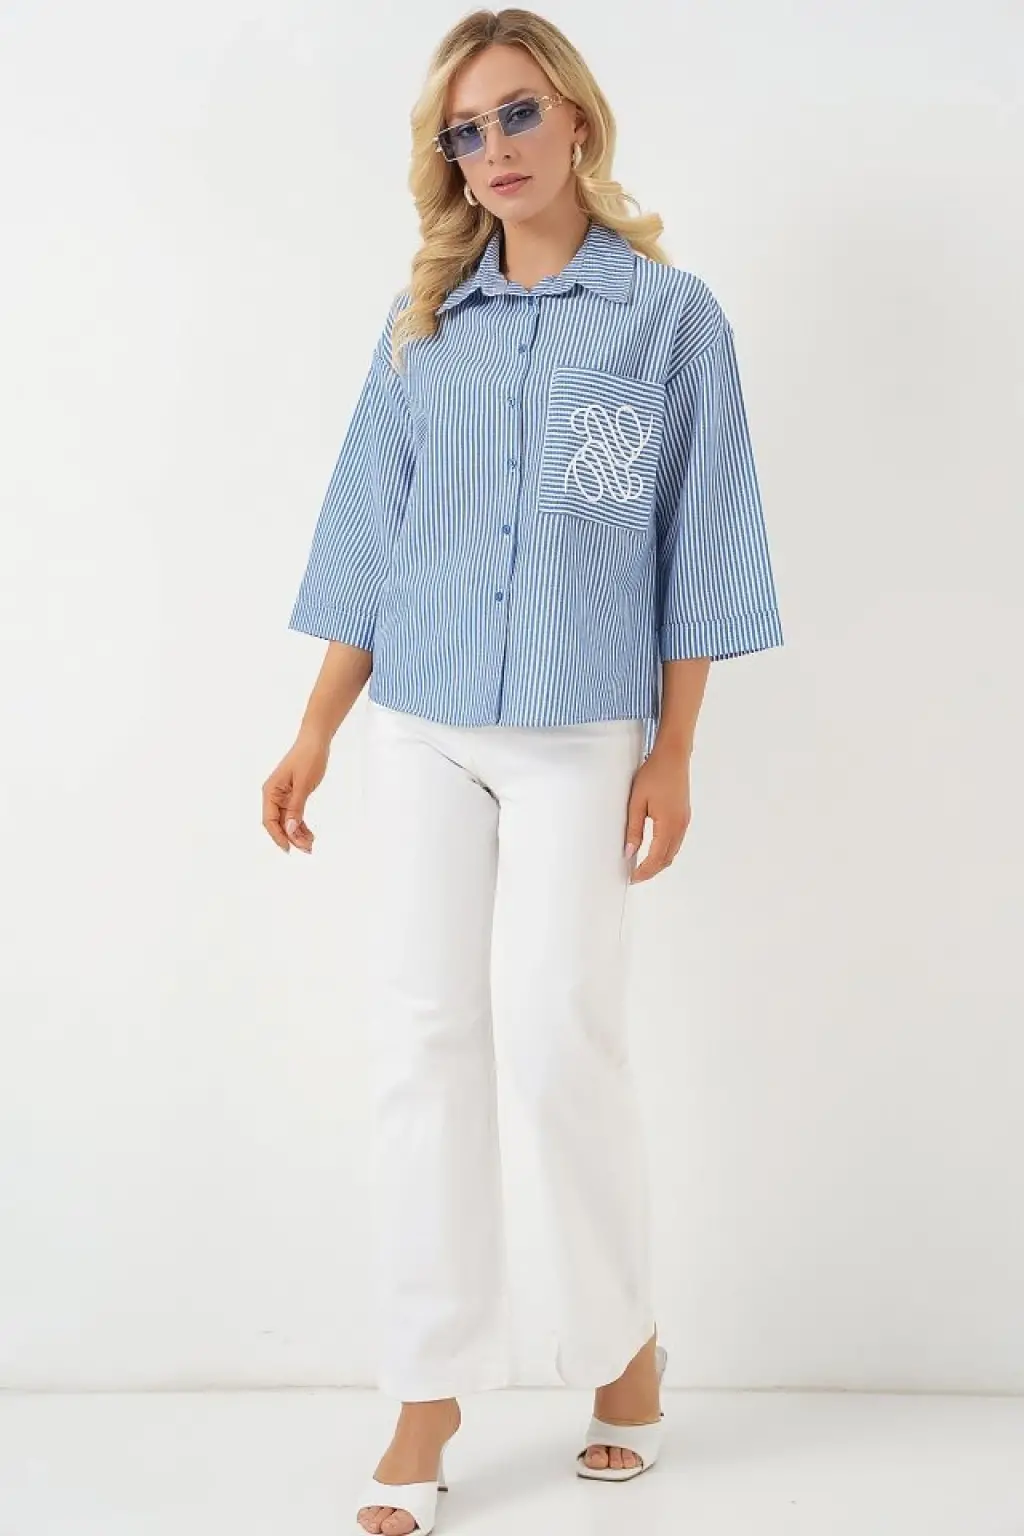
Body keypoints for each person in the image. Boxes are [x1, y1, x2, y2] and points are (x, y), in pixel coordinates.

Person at [262, 9, 784, 1534]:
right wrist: (315, 727)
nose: (489, 149)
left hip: (578, 731)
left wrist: (676, 750)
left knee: (561, 1035)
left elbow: (703, 539)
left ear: (577, 120)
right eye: (463, 131)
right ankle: (429, 1389)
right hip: (421, 718)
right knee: (424, 1039)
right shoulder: (425, 322)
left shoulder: (669, 320)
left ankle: (622, 1352)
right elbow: (368, 533)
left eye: (513, 115)